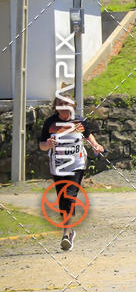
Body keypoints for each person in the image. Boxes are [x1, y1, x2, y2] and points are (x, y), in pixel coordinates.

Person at [39, 94, 104, 250]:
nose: (64, 106)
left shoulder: (79, 121)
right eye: (60, 103)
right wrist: (47, 144)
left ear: (73, 105)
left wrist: (96, 146)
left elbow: (88, 136)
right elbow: (41, 145)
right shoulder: (50, 123)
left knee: (70, 194)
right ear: (56, 107)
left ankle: (66, 233)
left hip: (77, 164)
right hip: (58, 167)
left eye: (67, 103)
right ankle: (70, 230)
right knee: (63, 198)